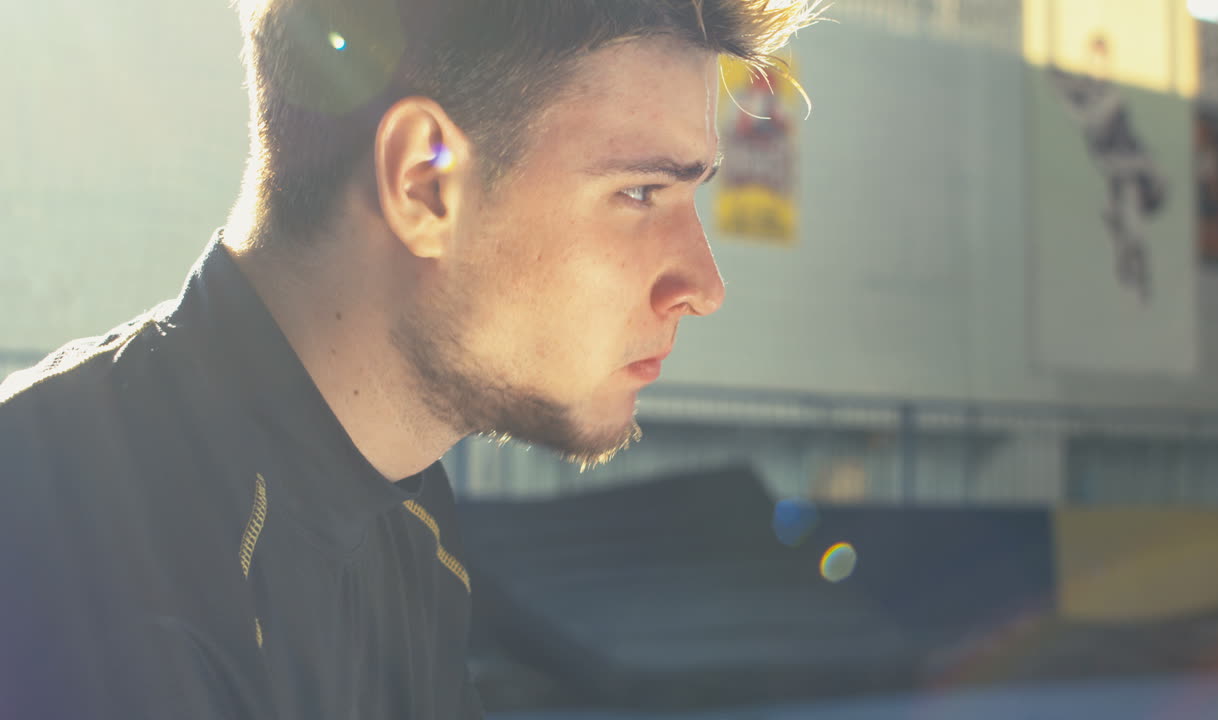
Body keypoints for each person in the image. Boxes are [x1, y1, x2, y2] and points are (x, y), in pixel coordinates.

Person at [0, 1, 820, 717]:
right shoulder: (79, 564)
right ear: (425, 181)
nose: (704, 285)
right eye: (642, 194)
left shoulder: (407, 518)